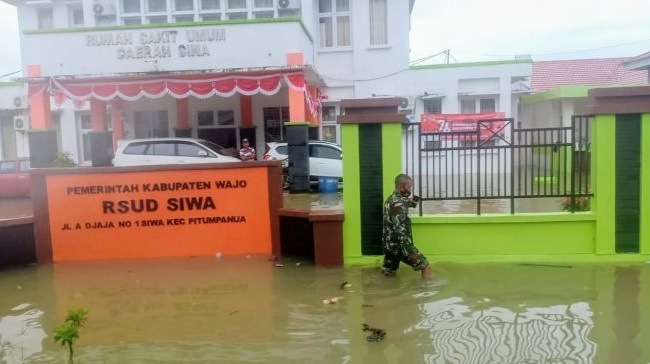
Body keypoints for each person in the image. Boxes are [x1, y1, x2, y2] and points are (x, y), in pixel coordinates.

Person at [382, 174, 432, 279]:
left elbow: (404, 203)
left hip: (389, 245)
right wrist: (410, 251)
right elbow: (400, 232)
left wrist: (412, 202)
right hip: (400, 246)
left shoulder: (390, 199)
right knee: (426, 266)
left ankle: (385, 293)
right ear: (401, 186)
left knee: (389, 273)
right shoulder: (399, 205)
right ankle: (426, 291)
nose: (410, 190)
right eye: (409, 187)